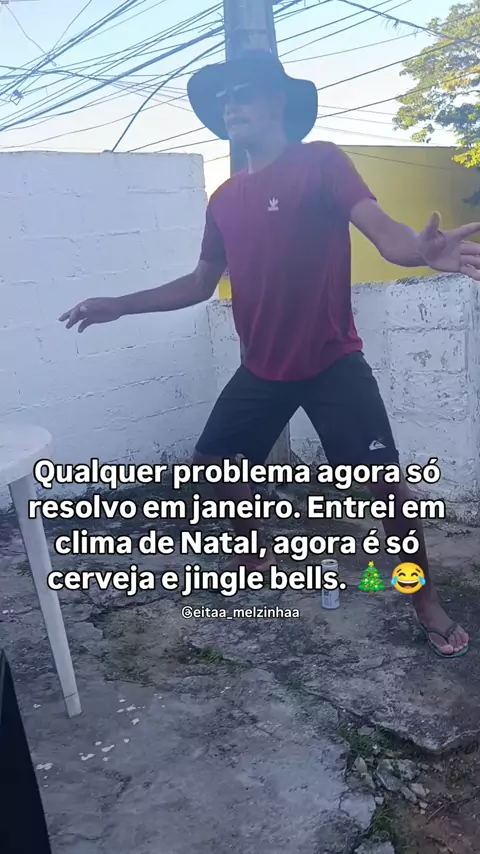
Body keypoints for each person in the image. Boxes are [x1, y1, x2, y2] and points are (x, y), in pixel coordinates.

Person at [60, 50, 480, 658]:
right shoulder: (224, 199)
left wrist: (421, 251)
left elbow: (386, 236)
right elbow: (200, 283)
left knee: (387, 492)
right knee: (211, 467)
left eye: (244, 93)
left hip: (333, 363)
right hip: (261, 370)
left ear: (278, 101)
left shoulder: (322, 164)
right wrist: (120, 304)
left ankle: (425, 600)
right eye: (224, 98)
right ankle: (256, 552)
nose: (231, 105)